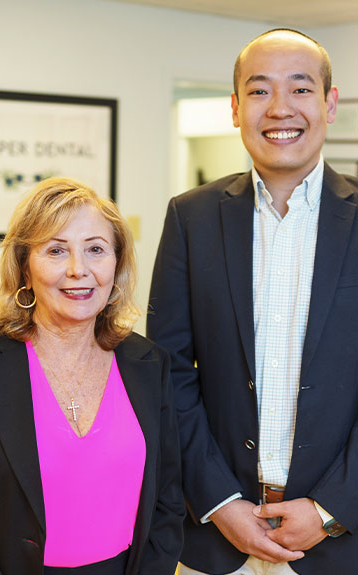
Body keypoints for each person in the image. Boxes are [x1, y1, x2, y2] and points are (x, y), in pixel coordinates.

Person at [147, 28, 358, 575]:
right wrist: (218, 502)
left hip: (340, 541)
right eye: (260, 91)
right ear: (236, 109)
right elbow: (168, 373)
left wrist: (331, 507)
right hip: (219, 538)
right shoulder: (190, 217)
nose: (280, 109)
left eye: (301, 89)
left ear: (330, 103)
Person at [0, 177, 185, 575]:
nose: (78, 270)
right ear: (25, 269)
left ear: (116, 264)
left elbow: (167, 499)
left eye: (96, 250)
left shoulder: (148, 363)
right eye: (55, 250)